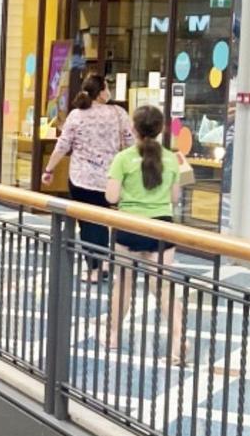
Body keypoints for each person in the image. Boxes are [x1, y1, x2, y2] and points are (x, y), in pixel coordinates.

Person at [103, 105, 186, 364]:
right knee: (162, 287)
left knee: (123, 283)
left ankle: (113, 337)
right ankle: (178, 343)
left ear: (133, 129)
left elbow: (111, 196)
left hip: (129, 226)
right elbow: (175, 197)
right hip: (162, 228)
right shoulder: (172, 159)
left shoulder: (123, 158)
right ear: (160, 130)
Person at [41, 75, 134, 282]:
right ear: (101, 92)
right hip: (110, 179)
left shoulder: (77, 115)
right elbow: (131, 142)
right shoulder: (119, 113)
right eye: (107, 87)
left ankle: (95, 267)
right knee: (102, 220)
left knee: (87, 223)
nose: (108, 91)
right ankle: (104, 263)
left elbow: (63, 145)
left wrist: (49, 169)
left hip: (81, 179)